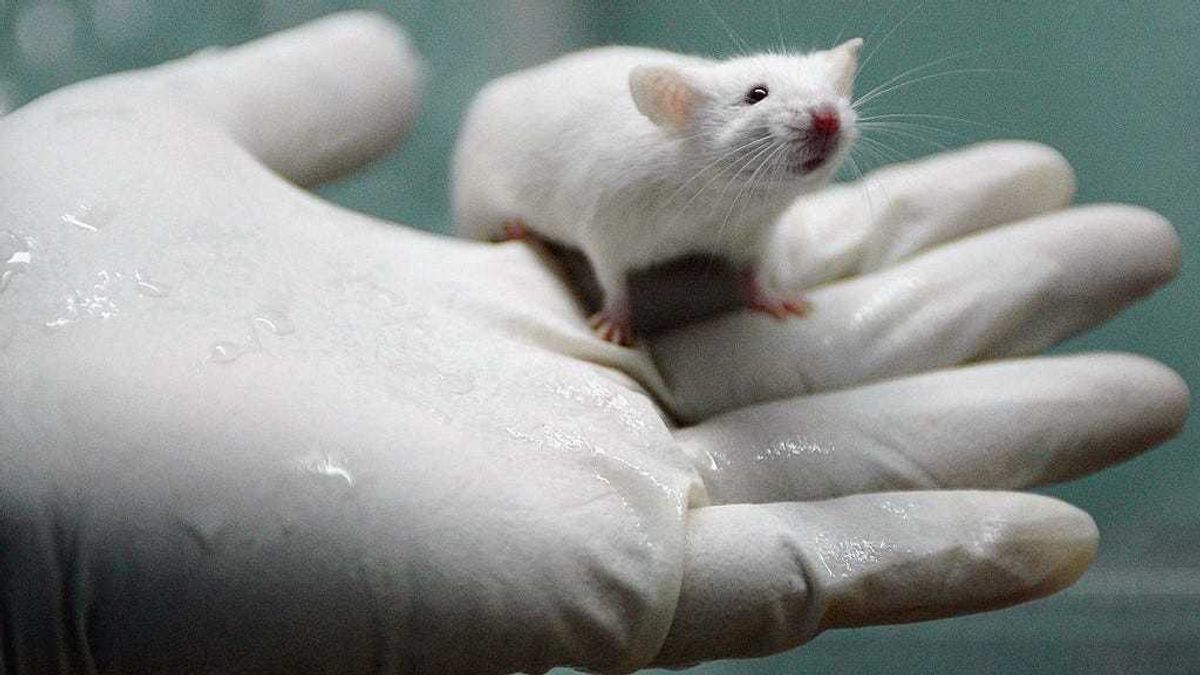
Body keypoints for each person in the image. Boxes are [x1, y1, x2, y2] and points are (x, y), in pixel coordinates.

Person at [0, 12, 1187, 674]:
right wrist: (613, 300)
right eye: (764, 104)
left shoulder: (763, 173)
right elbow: (611, 227)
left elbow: (761, 230)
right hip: (542, 186)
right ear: (681, 109)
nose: (817, 115)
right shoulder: (645, 154)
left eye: (820, 99)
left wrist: (758, 277)